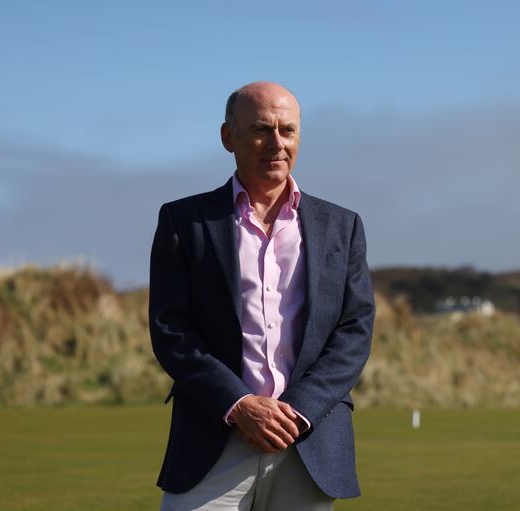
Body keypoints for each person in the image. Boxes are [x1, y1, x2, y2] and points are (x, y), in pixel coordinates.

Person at [149, 81, 375, 510]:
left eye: (287, 131)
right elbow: (170, 330)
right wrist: (239, 405)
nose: (276, 143)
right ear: (227, 137)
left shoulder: (342, 226)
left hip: (307, 442)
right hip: (211, 441)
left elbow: (354, 331)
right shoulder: (184, 221)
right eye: (260, 129)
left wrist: (296, 411)